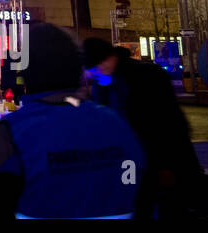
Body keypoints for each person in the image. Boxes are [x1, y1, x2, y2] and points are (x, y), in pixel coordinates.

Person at [0, 23, 143, 219]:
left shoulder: (7, 137)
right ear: (78, 71)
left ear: (26, 73)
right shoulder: (117, 124)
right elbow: (139, 186)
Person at [82, 37, 199, 218]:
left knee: (165, 209)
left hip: (157, 161)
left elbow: (169, 123)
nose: (93, 74)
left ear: (107, 59)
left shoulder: (146, 76)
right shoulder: (104, 83)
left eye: (95, 68)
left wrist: (167, 164)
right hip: (130, 165)